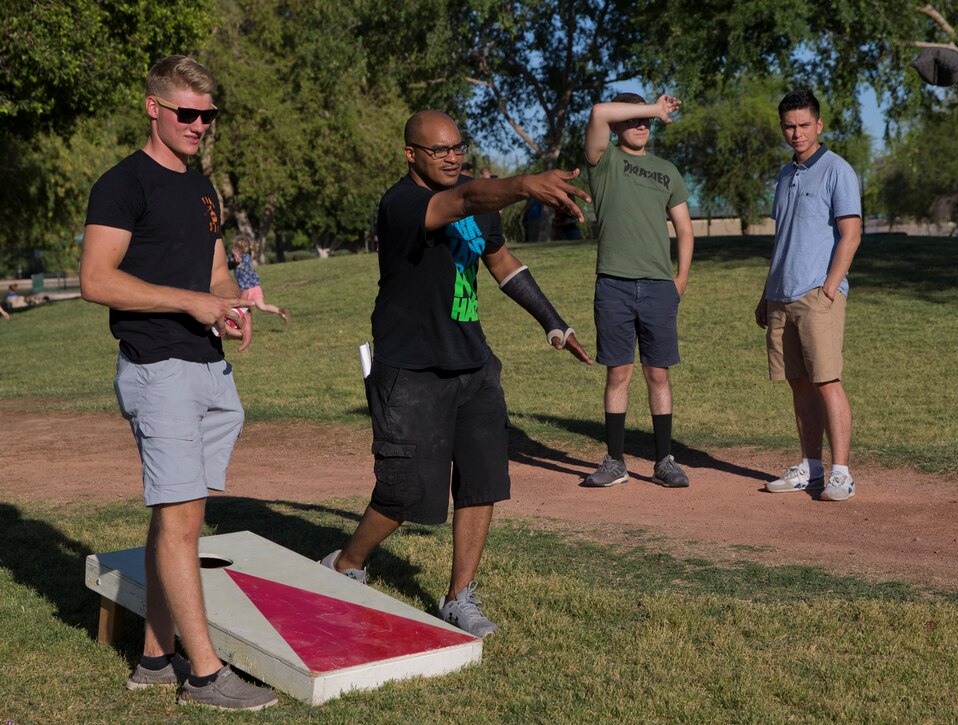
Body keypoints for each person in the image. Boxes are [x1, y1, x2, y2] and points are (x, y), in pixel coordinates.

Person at [320, 110, 592, 638]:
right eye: (438, 150)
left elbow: (502, 262)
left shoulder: (477, 196)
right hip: (412, 367)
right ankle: (346, 562)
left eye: (456, 147)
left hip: (474, 364)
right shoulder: (402, 204)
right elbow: (463, 202)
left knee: (481, 481)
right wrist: (523, 185)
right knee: (406, 492)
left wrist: (552, 321)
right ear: (411, 154)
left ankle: (458, 597)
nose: (451, 157)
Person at [80, 55, 277, 710]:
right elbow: (96, 279)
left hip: (205, 367)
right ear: (153, 108)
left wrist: (230, 301)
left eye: (208, 115)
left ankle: (156, 659)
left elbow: (215, 271)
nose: (199, 124)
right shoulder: (121, 184)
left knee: (175, 516)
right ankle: (204, 674)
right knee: (182, 521)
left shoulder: (201, 189)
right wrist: (187, 303)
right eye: (187, 112)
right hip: (157, 366)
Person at [581, 92, 695, 489]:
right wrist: (654, 108)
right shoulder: (604, 160)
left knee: (658, 374)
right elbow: (598, 112)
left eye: (646, 120)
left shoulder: (667, 170)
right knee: (618, 373)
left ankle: (664, 461)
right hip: (613, 283)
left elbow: (684, 228)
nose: (643, 125)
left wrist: (680, 278)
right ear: (617, 126)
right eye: (634, 119)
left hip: (659, 286)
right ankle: (615, 462)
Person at [755, 89, 862, 502]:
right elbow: (782, 239)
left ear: (819, 125)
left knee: (827, 382)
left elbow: (850, 235)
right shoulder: (784, 175)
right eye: (788, 126)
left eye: (803, 125)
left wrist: (830, 288)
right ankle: (810, 467)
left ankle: (840, 472)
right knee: (798, 385)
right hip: (781, 296)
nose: (795, 133)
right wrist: (767, 294)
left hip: (818, 295)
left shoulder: (838, 170)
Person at [230, 235, 291, 324]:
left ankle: (237, 327)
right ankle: (280, 312)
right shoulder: (247, 256)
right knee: (262, 307)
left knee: (239, 308)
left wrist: (236, 254)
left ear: (238, 249)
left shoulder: (240, 258)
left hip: (247, 290)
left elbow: (237, 260)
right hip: (256, 287)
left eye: (234, 247)